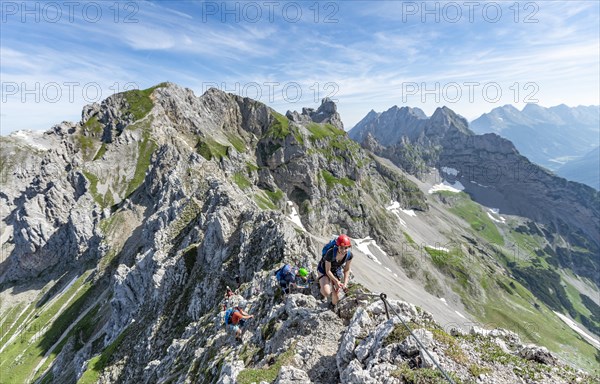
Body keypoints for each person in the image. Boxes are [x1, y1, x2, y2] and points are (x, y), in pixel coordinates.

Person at [317, 234, 353, 309]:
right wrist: (336, 281)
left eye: (346, 248)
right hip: (323, 269)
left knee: (336, 295)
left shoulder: (349, 255)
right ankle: (321, 287)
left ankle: (332, 305)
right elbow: (327, 271)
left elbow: (346, 270)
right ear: (337, 246)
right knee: (326, 292)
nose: (343, 250)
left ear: (348, 247)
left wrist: (345, 284)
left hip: (335, 270)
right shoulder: (330, 253)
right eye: (341, 248)